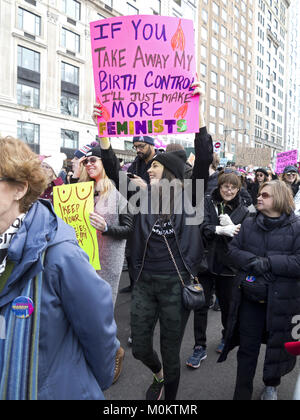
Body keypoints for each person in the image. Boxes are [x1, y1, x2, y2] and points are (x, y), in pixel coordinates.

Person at [96, 81, 213, 400]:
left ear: (173, 172)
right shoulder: (140, 199)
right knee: (141, 349)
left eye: (156, 167)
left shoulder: (192, 198)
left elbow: (203, 156)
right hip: (145, 283)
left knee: (171, 352)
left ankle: (169, 400)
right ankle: (157, 375)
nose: (149, 171)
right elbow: (111, 168)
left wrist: (197, 109)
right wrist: (103, 130)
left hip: (177, 286)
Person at [0, 136, 119, 400]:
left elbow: (98, 329)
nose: (87, 166)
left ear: (19, 189)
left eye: (91, 161)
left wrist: (90, 382)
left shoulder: (59, 253)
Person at [219, 180, 300, 400]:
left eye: (265, 195)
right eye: (260, 194)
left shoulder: (297, 227)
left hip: (283, 301)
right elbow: (232, 252)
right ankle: (241, 394)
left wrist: (270, 263)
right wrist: (254, 261)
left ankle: (271, 385)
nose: (259, 197)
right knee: (247, 350)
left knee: (278, 349)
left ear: (280, 198)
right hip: (250, 299)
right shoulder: (248, 223)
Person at [186, 171, 249, 368]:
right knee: (201, 306)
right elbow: (200, 225)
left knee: (228, 308)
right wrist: (217, 229)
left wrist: (235, 230)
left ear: (238, 189)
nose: (228, 190)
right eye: (225, 186)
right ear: (219, 186)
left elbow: (246, 239)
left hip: (229, 268)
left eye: (233, 187)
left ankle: (226, 337)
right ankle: (199, 346)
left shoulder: (244, 209)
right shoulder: (207, 202)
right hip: (205, 264)